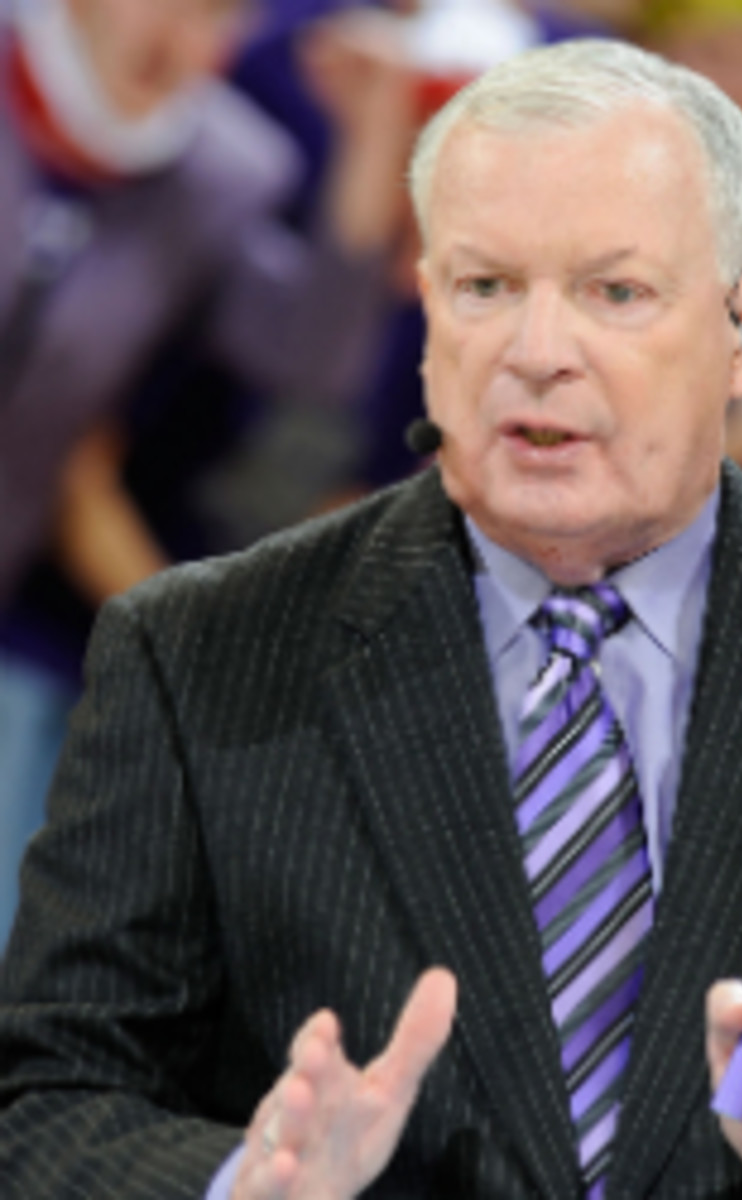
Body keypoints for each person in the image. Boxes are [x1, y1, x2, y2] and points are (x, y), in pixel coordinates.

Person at [0, 37, 742, 1200]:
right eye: (485, 287)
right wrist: (230, 1183)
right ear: (425, 318)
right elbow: (44, 1102)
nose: (537, 352)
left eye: (615, 292)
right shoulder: (192, 653)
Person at [0, 0, 416, 944]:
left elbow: (312, 357)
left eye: (217, 17)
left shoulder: (218, 170)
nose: (185, 43)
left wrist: (370, 140)